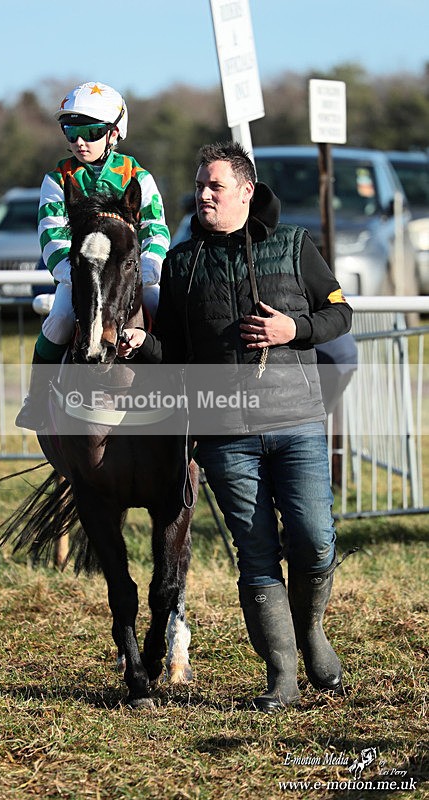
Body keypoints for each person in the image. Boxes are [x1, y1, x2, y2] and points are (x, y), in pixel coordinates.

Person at [119, 141, 353, 712]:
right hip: (225, 435)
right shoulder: (182, 262)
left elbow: (340, 313)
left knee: (315, 540)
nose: (203, 194)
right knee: (256, 554)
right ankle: (282, 676)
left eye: (215, 186)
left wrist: (293, 330)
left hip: (297, 421)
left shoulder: (294, 244)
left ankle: (311, 632)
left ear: (246, 191)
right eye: (200, 184)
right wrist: (142, 343)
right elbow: (175, 351)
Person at [15, 81, 170, 430]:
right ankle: (36, 401)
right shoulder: (57, 179)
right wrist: (73, 274)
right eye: (71, 132)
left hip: (131, 276)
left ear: (114, 133)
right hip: (80, 276)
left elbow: (156, 229)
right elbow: (51, 234)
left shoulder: (138, 176)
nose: (79, 142)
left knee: (164, 310)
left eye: (90, 131)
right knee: (59, 321)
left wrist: (148, 269)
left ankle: (187, 396)